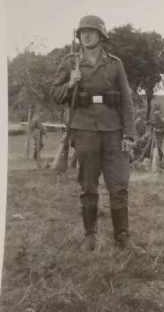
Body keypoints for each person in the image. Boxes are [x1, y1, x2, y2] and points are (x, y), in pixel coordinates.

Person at [51, 15, 136, 252]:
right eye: (82, 32)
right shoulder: (70, 63)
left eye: (91, 31)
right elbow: (55, 95)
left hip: (113, 131)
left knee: (119, 185)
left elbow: (127, 101)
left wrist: (129, 134)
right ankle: (90, 236)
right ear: (78, 36)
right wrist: (70, 83)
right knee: (88, 186)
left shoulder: (115, 64)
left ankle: (123, 237)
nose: (86, 35)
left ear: (101, 36)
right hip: (85, 131)